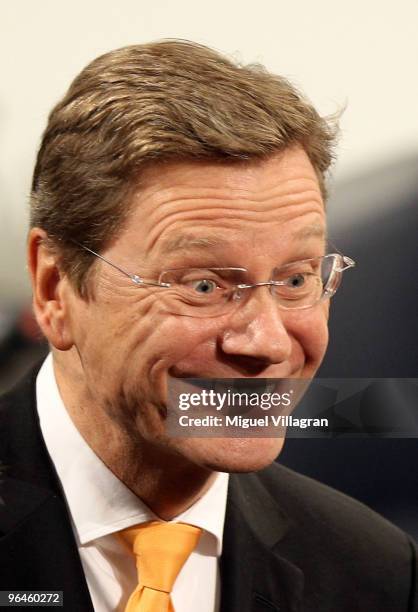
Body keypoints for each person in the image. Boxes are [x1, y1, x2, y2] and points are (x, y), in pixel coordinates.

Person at [0, 40, 416, 612]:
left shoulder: (373, 573)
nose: (268, 344)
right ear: (54, 288)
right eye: (204, 286)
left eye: (296, 280)